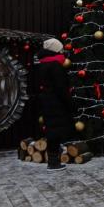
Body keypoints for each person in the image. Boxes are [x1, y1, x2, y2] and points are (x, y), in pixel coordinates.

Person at [36, 38, 74, 171]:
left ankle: (53, 159)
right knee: (55, 131)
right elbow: (61, 88)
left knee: (52, 129)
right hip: (56, 102)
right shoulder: (55, 65)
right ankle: (53, 162)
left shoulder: (41, 64)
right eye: (60, 49)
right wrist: (69, 103)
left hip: (46, 101)